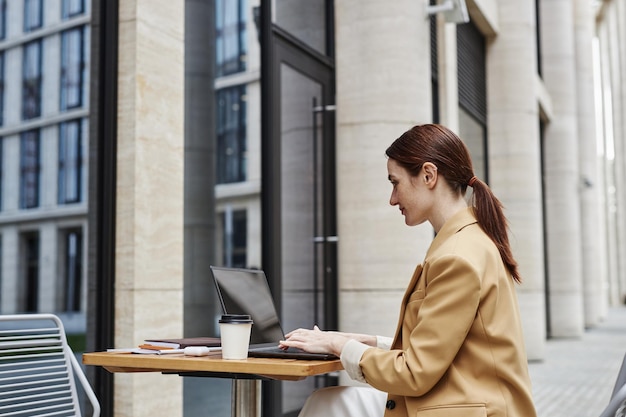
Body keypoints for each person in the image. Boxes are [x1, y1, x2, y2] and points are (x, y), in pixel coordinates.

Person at [279, 124, 538, 417]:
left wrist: (340, 346)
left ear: (428, 175)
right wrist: (365, 342)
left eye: (395, 182)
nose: (392, 199)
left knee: (330, 405)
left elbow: (415, 373)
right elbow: (445, 348)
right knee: (330, 402)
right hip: (466, 402)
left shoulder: (456, 257)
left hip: (471, 409)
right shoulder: (466, 241)